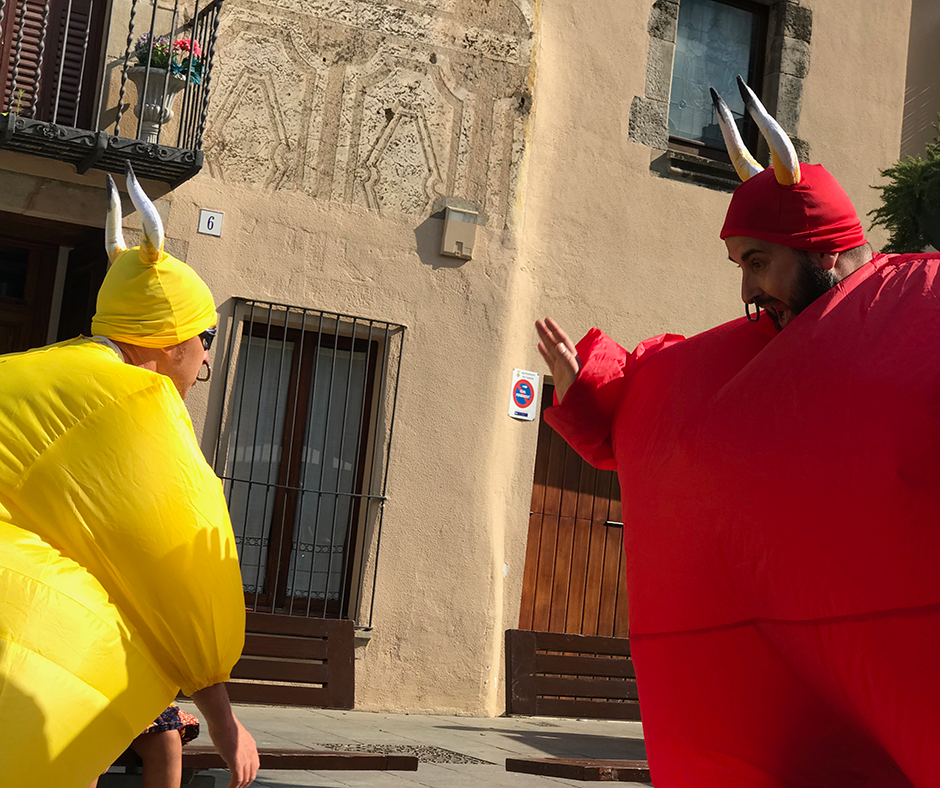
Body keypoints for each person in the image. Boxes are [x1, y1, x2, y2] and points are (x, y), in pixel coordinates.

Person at [536, 77, 940, 788]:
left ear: (822, 249)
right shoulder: (764, 350)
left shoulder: (915, 308)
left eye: (758, 262)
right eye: (740, 266)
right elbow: (673, 409)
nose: (746, 291)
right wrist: (594, 396)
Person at [0, 162, 259, 788]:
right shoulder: (139, 406)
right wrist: (224, 723)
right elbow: (180, 565)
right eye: (206, 339)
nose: (204, 360)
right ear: (170, 341)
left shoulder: (39, 369)